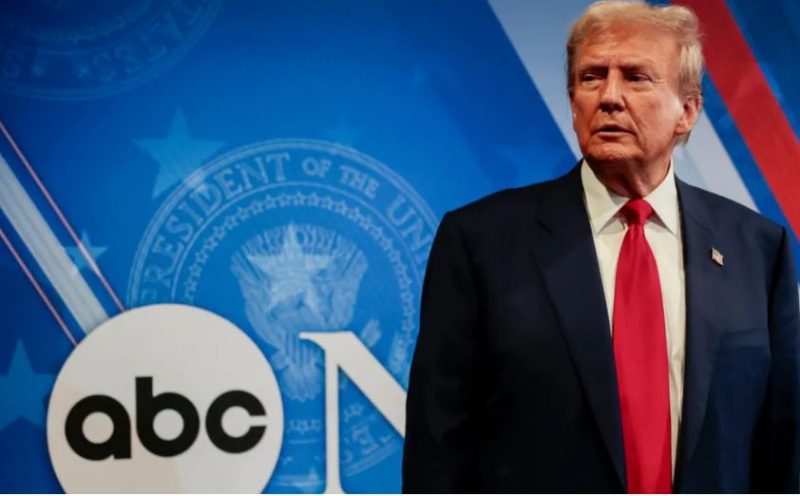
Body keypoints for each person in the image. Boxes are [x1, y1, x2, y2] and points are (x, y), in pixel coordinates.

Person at [402, 1, 800, 493]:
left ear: (687, 110)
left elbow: (781, 445)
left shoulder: (757, 249)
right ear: (573, 103)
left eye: (636, 77)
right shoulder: (481, 242)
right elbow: (438, 448)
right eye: (591, 78)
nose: (609, 96)